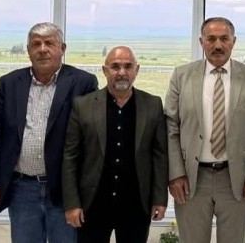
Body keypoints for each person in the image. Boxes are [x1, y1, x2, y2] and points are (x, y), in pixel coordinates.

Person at [0, 22, 98, 243]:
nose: (42, 49)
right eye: (36, 44)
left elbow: (91, 140)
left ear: (62, 48)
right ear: (28, 50)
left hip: (65, 190)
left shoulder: (83, 82)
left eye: (49, 43)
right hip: (21, 189)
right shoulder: (9, 83)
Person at [164, 17, 245, 243]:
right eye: (211, 39)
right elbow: (170, 126)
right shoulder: (182, 75)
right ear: (201, 41)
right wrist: (175, 173)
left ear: (234, 41)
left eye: (224, 39)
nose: (218, 45)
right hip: (191, 179)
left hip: (235, 179)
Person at [62, 46, 168, 243]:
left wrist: (160, 199)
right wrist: (72, 203)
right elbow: (70, 157)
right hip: (92, 204)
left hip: (136, 205)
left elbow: (159, 156)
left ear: (137, 70)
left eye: (128, 66)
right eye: (115, 66)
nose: (122, 72)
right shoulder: (83, 105)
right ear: (105, 70)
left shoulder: (152, 105)